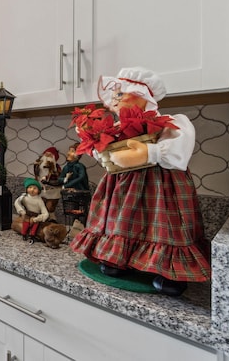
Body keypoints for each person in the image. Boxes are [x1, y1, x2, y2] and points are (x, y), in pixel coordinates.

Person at [69, 67, 210, 297]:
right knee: (119, 221)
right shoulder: (116, 128)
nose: (113, 102)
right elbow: (106, 155)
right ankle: (119, 260)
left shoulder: (171, 122)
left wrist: (148, 153)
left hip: (159, 186)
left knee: (163, 223)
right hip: (121, 187)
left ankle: (171, 272)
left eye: (119, 94)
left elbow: (179, 150)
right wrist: (92, 139)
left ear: (142, 95)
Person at [33, 147, 62, 218]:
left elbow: (59, 178)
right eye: (46, 154)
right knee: (41, 206)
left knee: (50, 207)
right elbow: (37, 176)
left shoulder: (56, 167)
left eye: (50, 155)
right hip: (42, 189)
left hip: (53, 190)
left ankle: (51, 219)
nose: (47, 156)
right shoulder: (38, 165)